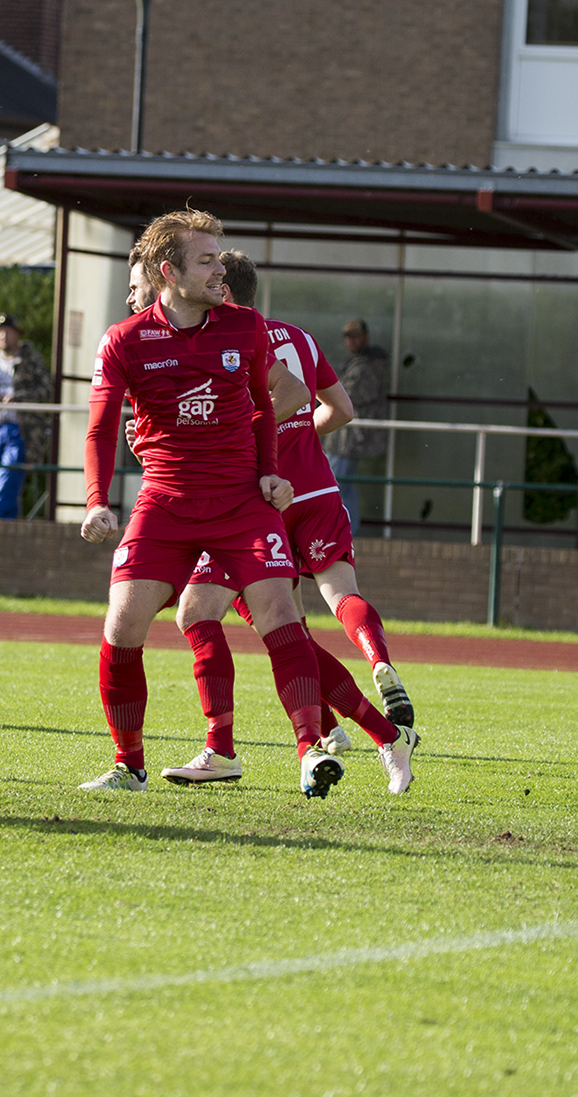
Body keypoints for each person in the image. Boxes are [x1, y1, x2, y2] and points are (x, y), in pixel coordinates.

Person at [77, 210, 343, 798]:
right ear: (168, 272)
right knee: (122, 626)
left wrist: (271, 473)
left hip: (240, 502)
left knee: (279, 610)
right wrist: (97, 500)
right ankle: (130, 766)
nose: (219, 268)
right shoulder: (124, 340)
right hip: (164, 501)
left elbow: (264, 405)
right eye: (206, 260)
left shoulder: (245, 326)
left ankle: (309, 753)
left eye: (220, 257)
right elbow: (98, 431)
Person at [153, 250, 419, 795]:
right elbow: (340, 411)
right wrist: (296, 437)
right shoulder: (295, 337)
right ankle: (365, 695)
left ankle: (300, 739)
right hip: (312, 488)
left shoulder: (221, 342)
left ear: (222, 290)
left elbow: (225, 418)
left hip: (253, 500)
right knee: (326, 602)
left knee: (262, 624)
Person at [0, 314, 53, 520]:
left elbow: (46, 389)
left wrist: (19, 398)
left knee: (9, 474)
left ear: (16, 333)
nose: (2, 336)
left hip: (21, 429)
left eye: (6, 331)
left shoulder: (30, 358)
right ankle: (7, 527)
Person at [320, 318, 389, 533]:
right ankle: (348, 531)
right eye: (348, 337)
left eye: (356, 336)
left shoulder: (367, 366)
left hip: (350, 437)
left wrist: (321, 389)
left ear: (365, 337)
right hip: (344, 435)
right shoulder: (357, 362)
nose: (351, 341)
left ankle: (340, 532)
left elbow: (347, 395)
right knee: (344, 486)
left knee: (332, 484)